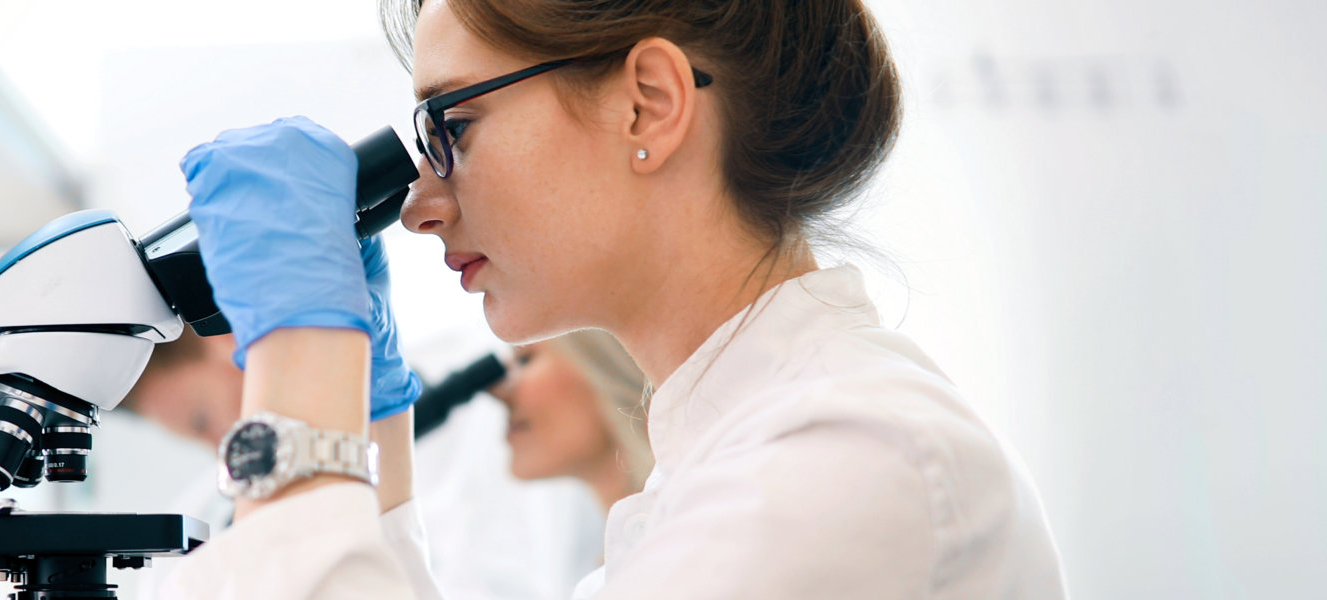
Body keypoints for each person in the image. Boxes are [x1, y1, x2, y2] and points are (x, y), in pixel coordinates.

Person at [160, 0, 1067, 597]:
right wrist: (370, 436)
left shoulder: (847, 460)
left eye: (455, 127)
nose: (422, 206)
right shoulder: (724, 466)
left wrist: (298, 348)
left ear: (649, 104)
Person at [121, 329, 606, 599]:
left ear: (236, 341)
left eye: (203, 419)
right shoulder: (212, 506)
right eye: (197, 437)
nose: (219, 447)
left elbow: (510, 585)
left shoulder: (486, 419)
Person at [487, 329, 652, 518]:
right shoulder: (639, 539)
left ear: (605, 360)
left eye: (524, 360)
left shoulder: (686, 519)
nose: (498, 393)